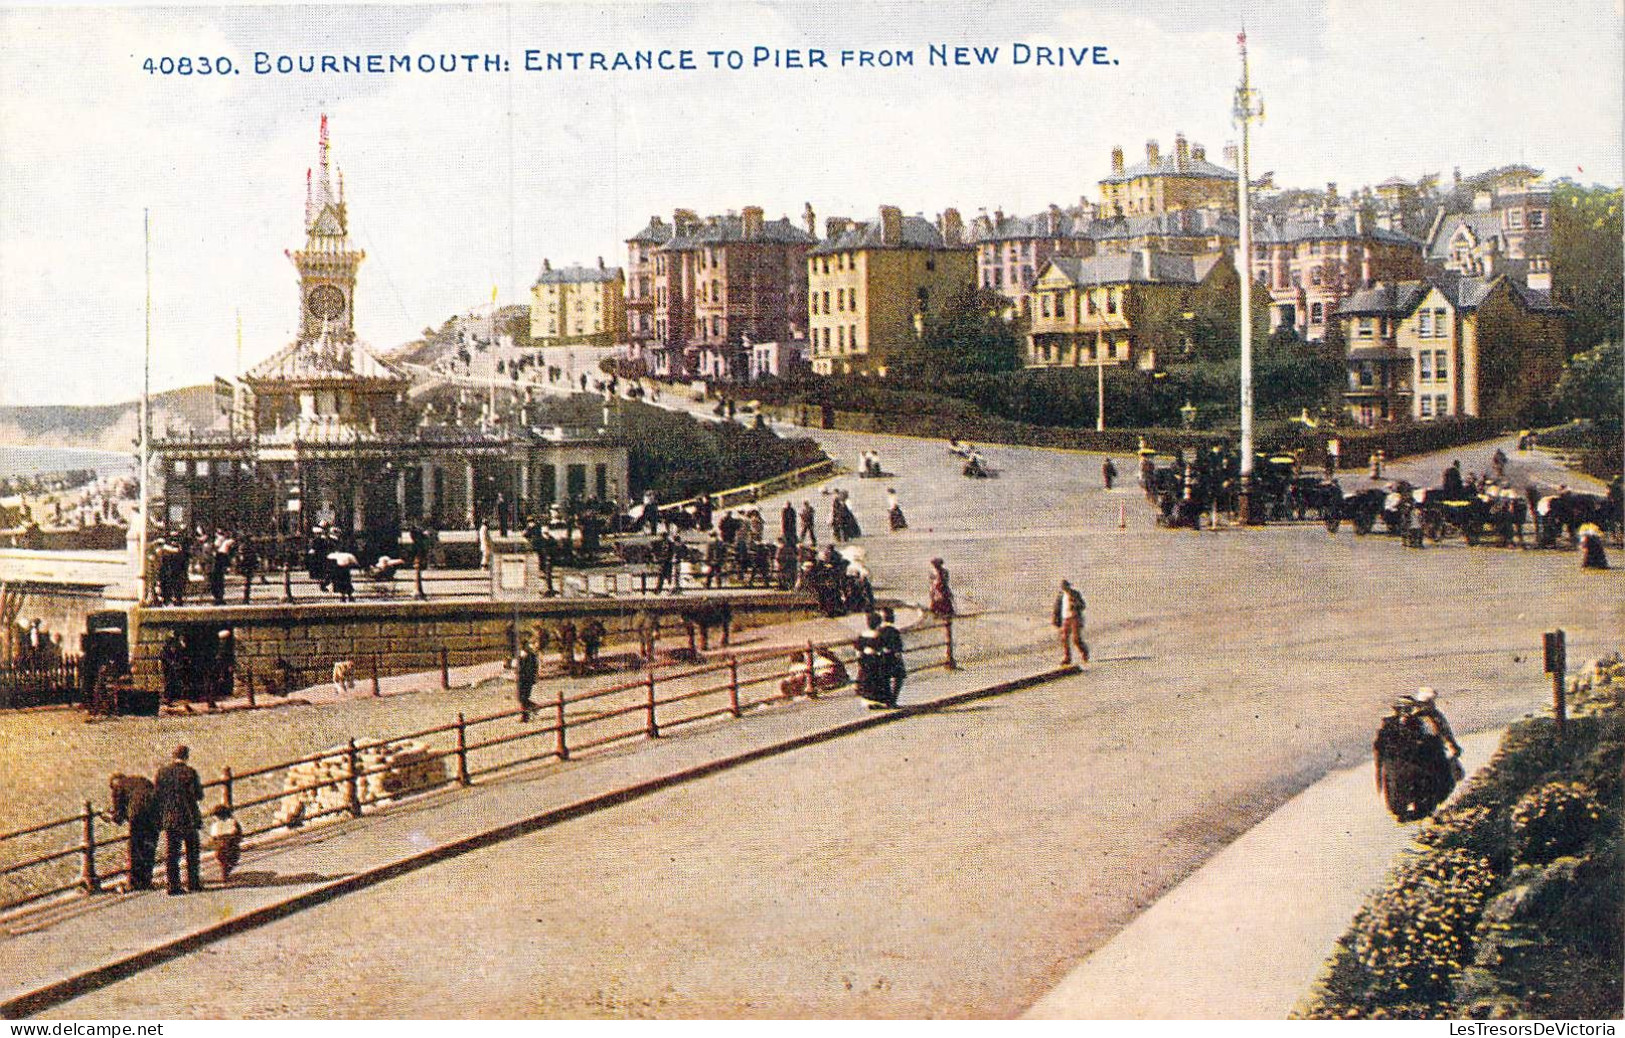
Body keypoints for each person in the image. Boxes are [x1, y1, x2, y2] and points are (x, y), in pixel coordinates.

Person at [154, 745, 204, 895]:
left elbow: (157, 795)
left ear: (172, 756)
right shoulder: (190, 772)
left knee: (172, 853)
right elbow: (199, 795)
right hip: (188, 816)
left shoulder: (162, 773)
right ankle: (193, 883)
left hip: (170, 816)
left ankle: (173, 885)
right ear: (186, 757)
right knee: (192, 851)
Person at [105, 773, 159, 891]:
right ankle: (146, 881)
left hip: (138, 817)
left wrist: (109, 817)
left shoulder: (118, 787)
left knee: (136, 849)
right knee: (149, 848)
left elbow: (119, 815)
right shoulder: (141, 779)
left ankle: (134, 883)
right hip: (155, 814)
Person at [855, 611, 891, 709]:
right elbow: (885, 648)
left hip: (865, 659)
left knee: (867, 680)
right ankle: (878, 700)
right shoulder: (879, 635)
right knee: (878, 680)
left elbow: (858, 650)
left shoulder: (862, 635)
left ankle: (868, 699)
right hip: (876, 659)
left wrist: (860, 659)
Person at [1053, 579, 1089, 665]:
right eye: (1063, 587)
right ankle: (1067, 658)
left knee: (1076, 639)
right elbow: (1057, 608)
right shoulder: (1061, 596)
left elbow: (1083, 605)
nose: (1065, 588)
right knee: (1064, 638)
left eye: (1066, 586)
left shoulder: (1075, 594)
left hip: (1075, 618)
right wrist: (1055, 618)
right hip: (1066, 618)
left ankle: (1084, 653)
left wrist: (1075, 604)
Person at [207, 804, 243, 884]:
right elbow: (239, 836)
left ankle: (225, 875)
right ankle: (226, 875)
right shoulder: (234, 822)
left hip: (220, 849)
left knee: (224, 860)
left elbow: (213, 838)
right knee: (230, 860)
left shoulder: (215, 825)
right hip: (232, 848)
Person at [879, 606, 905, 707]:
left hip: (882, 658)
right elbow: (898, 648)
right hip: (892, 658)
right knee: (899, 677)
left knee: (885, 680)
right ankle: (892, 700)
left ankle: (888, 700)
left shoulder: (879, 631)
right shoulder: (894, 631)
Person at [514, 638, 539, 722]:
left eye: (522, 645)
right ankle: (533, 707)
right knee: (520, 698)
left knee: (524, 698)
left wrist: (532, 676)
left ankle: (525, 716)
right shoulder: (520, 654)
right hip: (521, 678)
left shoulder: (531, 655)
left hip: (527, 679)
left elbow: (533, 668)